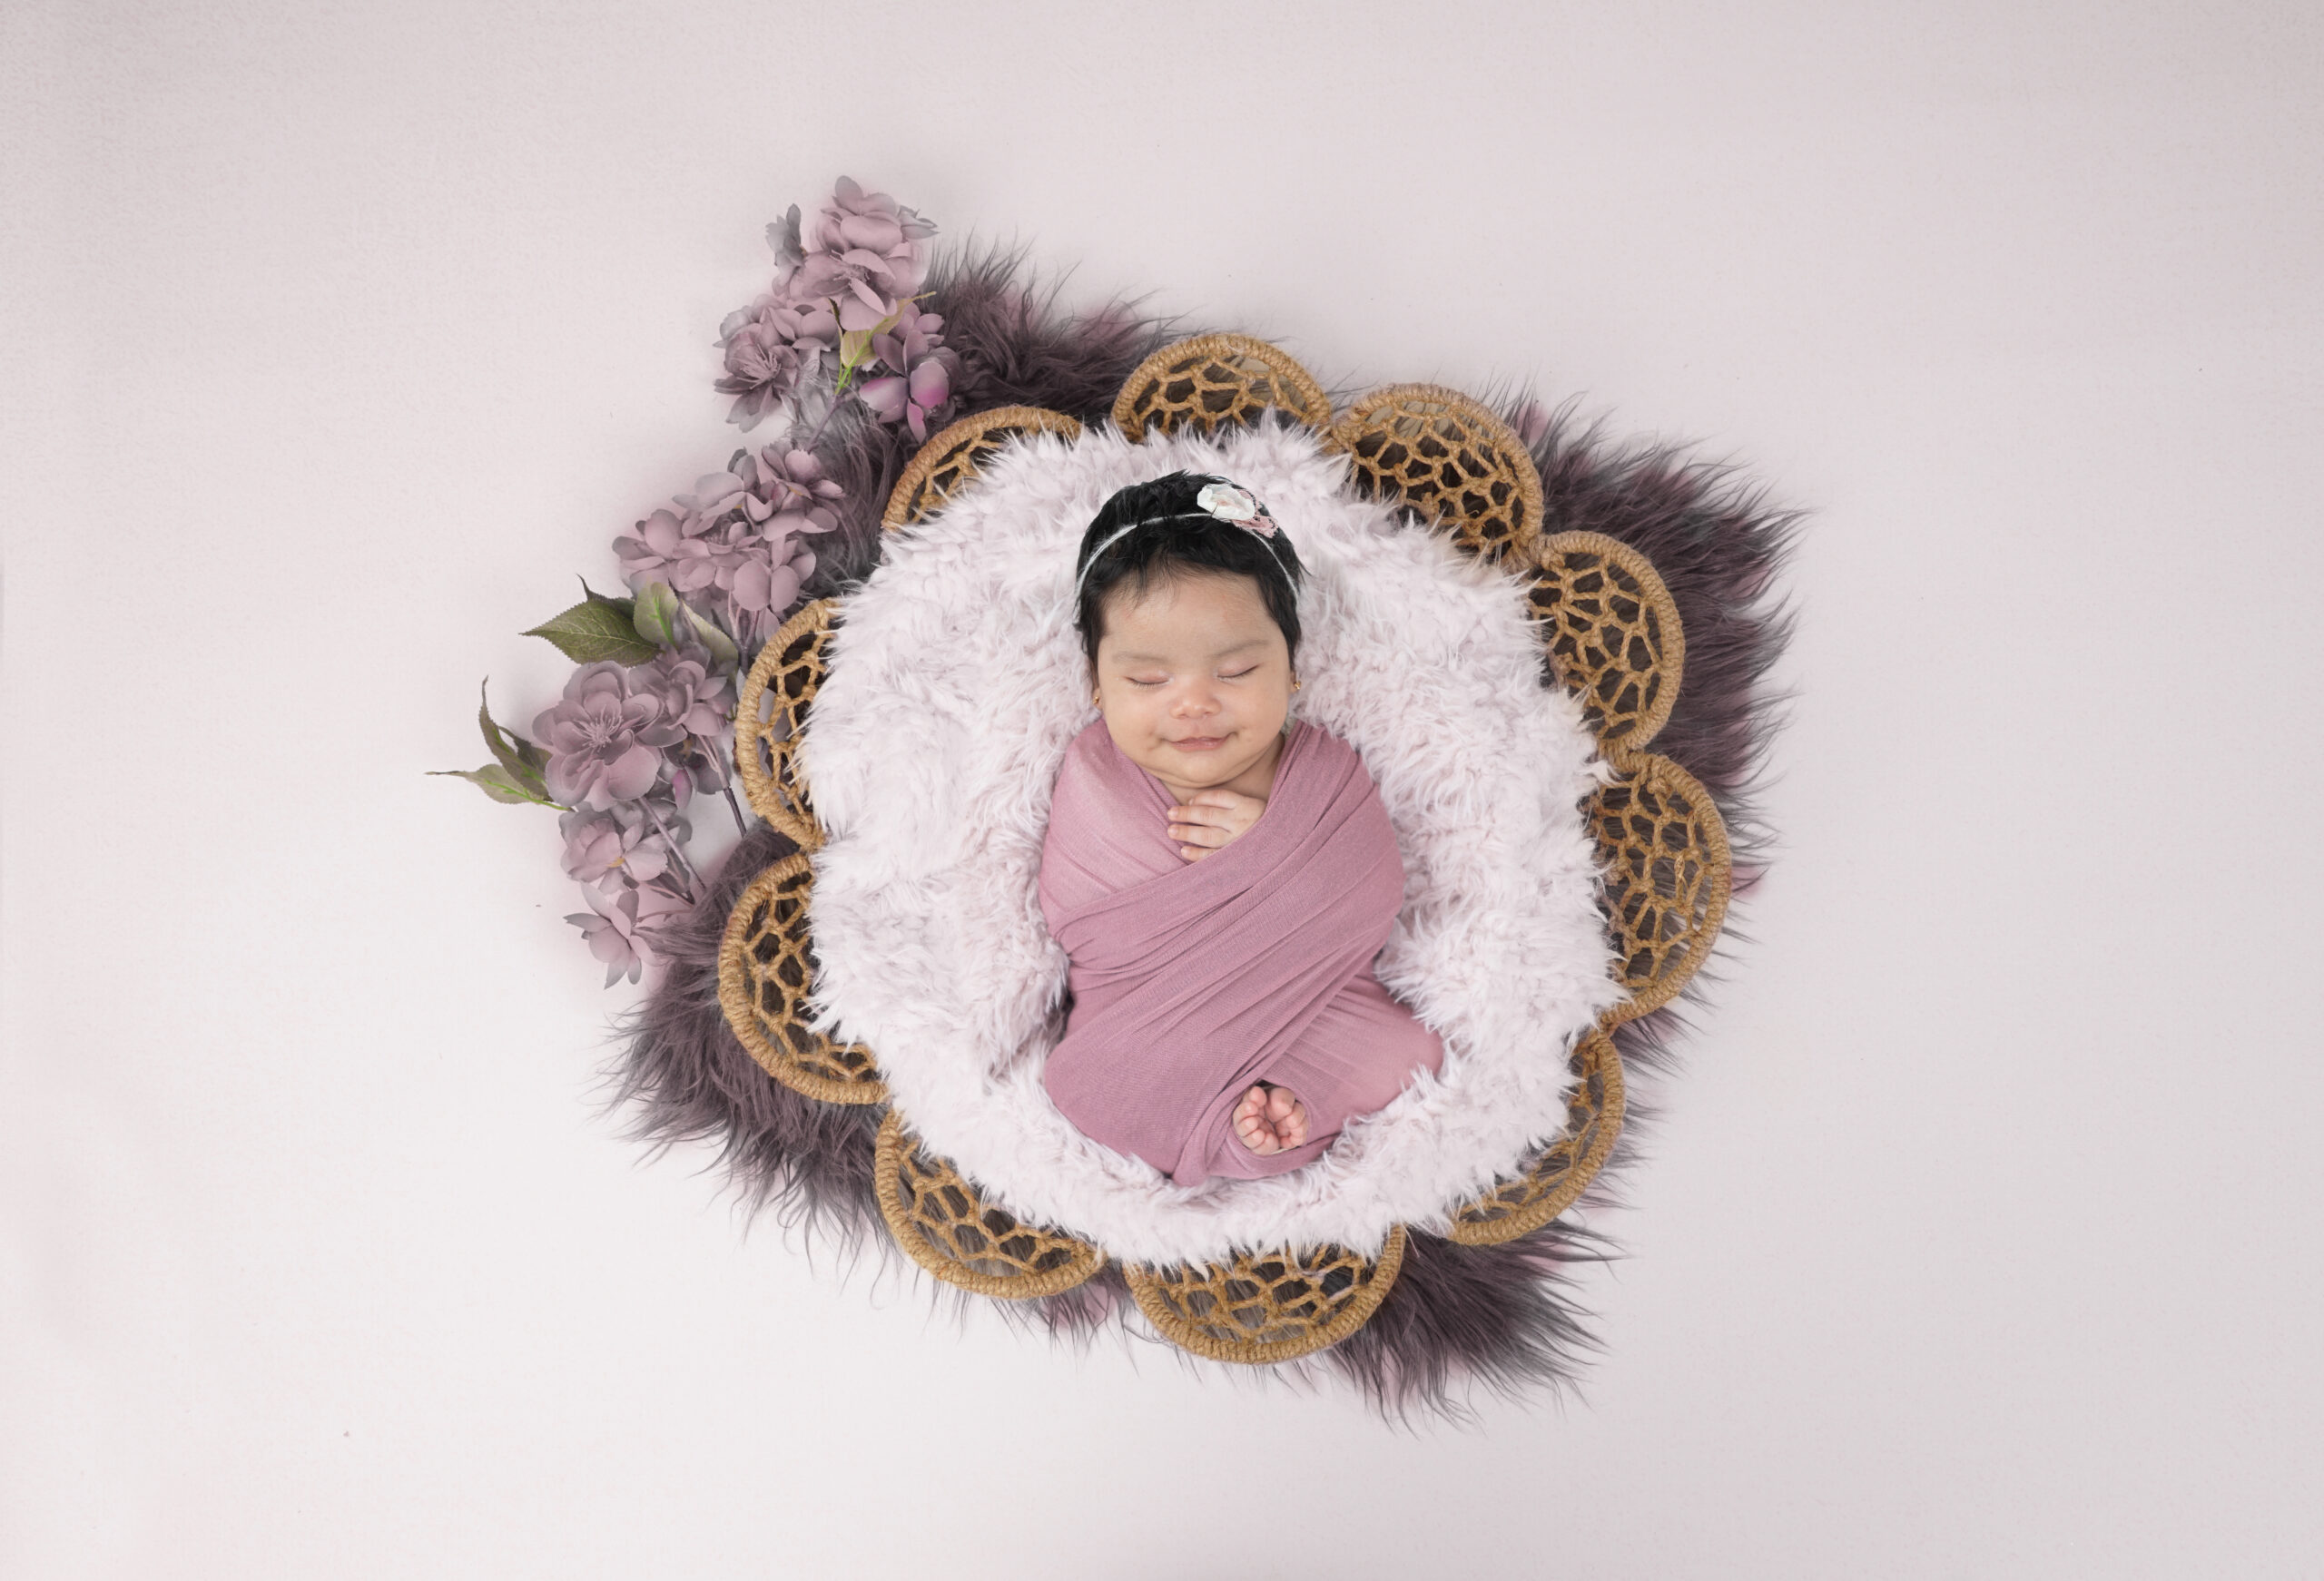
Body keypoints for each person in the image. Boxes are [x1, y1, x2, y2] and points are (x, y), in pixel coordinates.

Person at [1037, 471, 1445, 1183]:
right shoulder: (1095, 778)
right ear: (1096, 684)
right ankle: (1251, 1116)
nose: (1194, 704)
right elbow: (1080, 916)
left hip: (1317, 1004)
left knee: (1403, 1055)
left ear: (1291, 667)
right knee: (1100, 1089)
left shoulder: (1322, 769)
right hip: (1144, 1024)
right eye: (1147, 681)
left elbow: (1374, 892)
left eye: (1235, 670)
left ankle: (1278, 1114)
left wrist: (1273, 852)